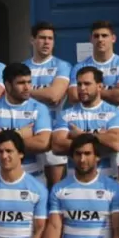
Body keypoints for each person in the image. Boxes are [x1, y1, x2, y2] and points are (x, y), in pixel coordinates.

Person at [0, 62, 53, 179]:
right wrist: (20, 134)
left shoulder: (39, 108)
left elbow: (43, 143)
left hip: (33, 177)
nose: (27, 87)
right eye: (21, 83)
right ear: (8, 85)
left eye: (29, 82)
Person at [51, 66, 119, 183]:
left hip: (106, 182)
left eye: (87, 84)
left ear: (99, 86)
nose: (82, 88)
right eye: (79, 84)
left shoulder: (114, 113)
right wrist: (100, 140)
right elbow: (57, 146)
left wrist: (80, 135)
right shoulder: (65, 114)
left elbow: (116, 143)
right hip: (73, 182)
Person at [24, 21, 73, 184]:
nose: (46, 42)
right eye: (42, 38)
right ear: (32, 40)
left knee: (55, 187)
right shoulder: (22, 66)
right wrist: (41, 93)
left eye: (50, 39)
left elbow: (54, 95)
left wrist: (24, 91)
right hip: (29, 134)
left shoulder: (62, 66)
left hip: (53, 131)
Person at [68, 20, 119, 108]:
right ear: (91, 39)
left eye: (104, 36)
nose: (100, 39)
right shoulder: (80, 67)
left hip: (115, 120)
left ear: (113, 38)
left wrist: (88, 91)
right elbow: (74, 96)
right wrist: (112, 93)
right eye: (96, 36)